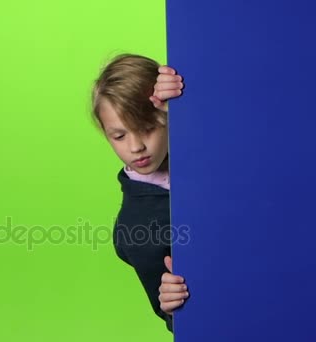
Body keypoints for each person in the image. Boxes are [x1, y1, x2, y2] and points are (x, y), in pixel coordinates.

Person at [90, 53, 189, 332]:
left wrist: (189, 100)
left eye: (147, 129)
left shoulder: (201, 155)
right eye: (119, 135)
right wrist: (171, 306)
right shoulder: (135, 229)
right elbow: (175, 319)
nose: (135, 147)